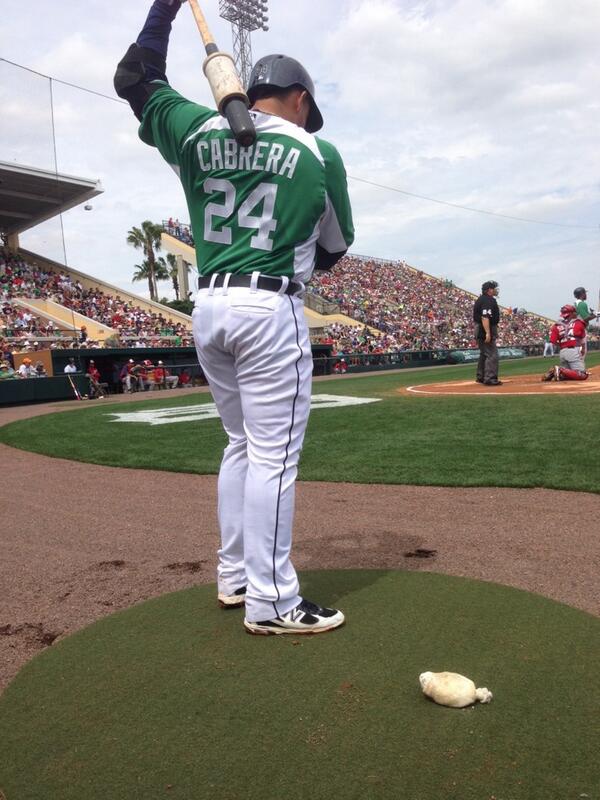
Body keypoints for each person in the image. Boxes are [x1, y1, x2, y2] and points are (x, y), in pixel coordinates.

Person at [115, 0, 354, 635]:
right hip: (270, 305)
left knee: (241, 445)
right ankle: (272, 601)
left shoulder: (197, 129)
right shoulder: (317, 150)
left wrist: (164, 8)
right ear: (299, 98)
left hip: (209, 304)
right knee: (274, 456)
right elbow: (333, 251)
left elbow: (134, 80)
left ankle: (234, 576)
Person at [541, 305, 589, 381]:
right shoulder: (578, 323)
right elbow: (582, 339)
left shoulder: (556, 325)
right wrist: (583, 349)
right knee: (582, 374)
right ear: (572, 313)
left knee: (569, 375)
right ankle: (560, 370)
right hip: (573, 350)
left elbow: (553, 341)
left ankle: (556, 373)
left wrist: (562, 345)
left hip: (562, 352)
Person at [473, 280, 502, 386]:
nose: (495, 290)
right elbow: (485, 317)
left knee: (484, 354)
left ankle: (481, 376)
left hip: (481, 328)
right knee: (492, 354)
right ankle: (490, 378)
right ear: (489, 290)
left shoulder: (482, 299)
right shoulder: (488, 300)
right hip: (484, 328)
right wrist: (488, 333)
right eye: (494, 288)